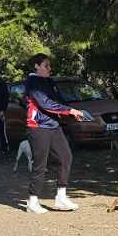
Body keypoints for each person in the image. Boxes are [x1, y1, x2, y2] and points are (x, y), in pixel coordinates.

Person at [23, 53, 92, 214]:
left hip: (54, 125)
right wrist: (70, 111)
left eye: (49, 65)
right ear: (36, 66)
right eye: (46, 65)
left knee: (65, 157)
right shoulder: (32, 82)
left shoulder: (50, 82)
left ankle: (61, 198)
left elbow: (59, 102)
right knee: (40, 164)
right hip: (38, 126)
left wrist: (75, 112)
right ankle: (32, 201)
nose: (50, 68)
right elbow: (46, 104)